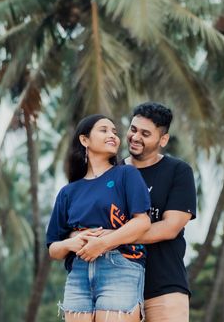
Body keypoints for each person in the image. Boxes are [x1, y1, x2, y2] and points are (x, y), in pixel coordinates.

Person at [46, 114, 153, 321]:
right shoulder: (68, 192)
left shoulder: (126, 174)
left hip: (120, 267)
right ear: (84, 140)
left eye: (114, 131)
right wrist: (72, 243)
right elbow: (53, 248)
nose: (112, 135)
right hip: (78, 273)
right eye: (104, 130)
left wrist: (102, 244)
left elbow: (142, 222)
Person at [124, 102, 197, 322]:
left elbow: (169, 227)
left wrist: (111, 238)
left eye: (145, 133)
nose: (136, 137)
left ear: (162, 140)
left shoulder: (178, 171)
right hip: (117, 286)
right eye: (133, 129)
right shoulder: (114, 172)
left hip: (165, 286)